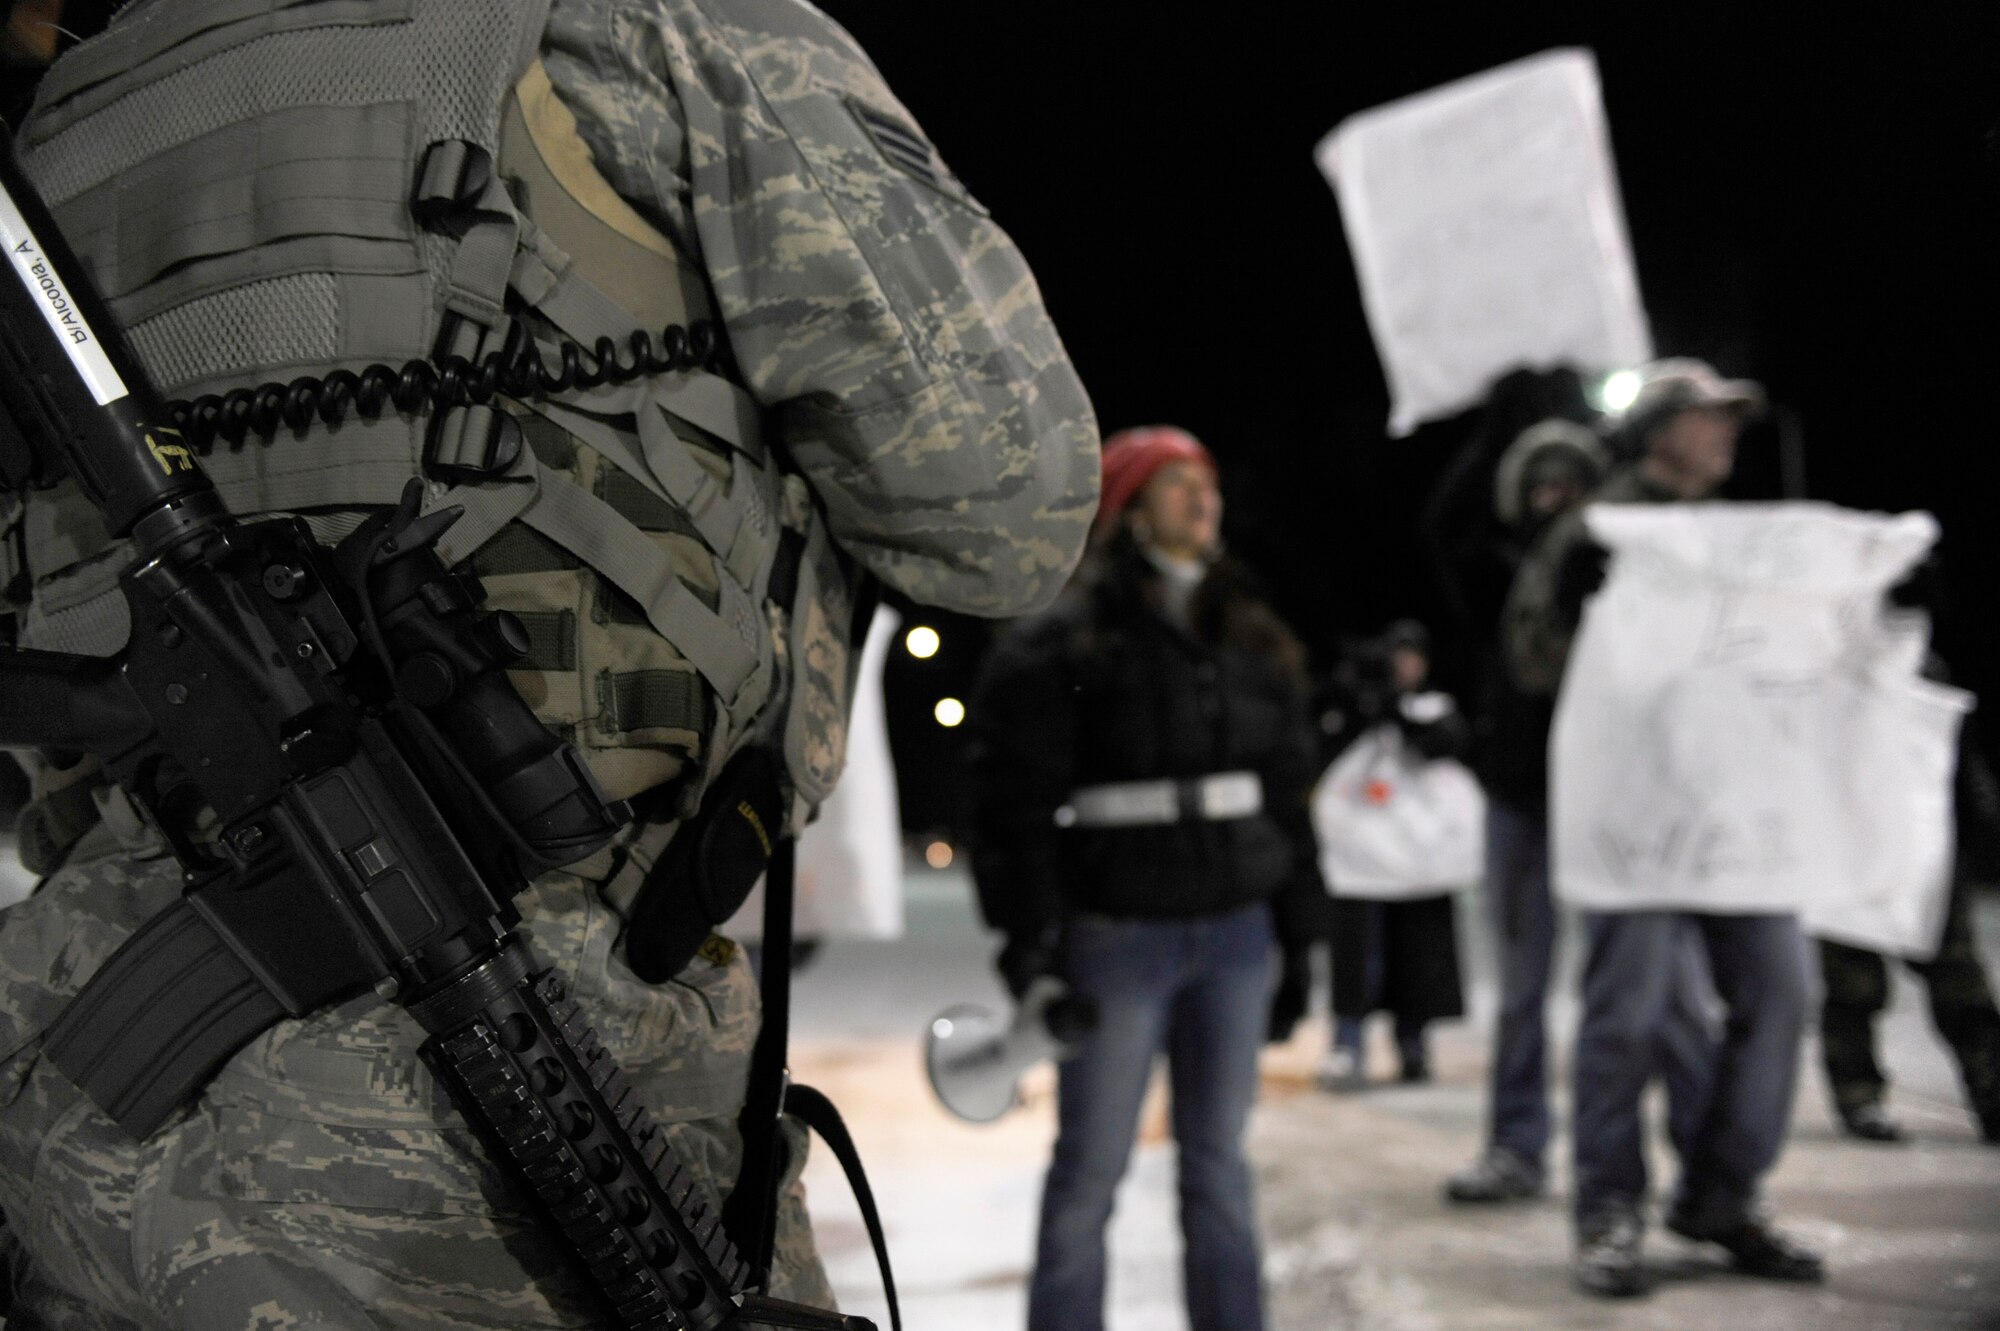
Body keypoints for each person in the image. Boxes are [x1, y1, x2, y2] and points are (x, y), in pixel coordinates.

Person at [0, 0, 1099, 1324]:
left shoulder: (58, 129)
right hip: (466, 1140)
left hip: (71, 1120)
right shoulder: (652, 29)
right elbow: (1004, 507)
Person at [966, 425, 1322, 1331]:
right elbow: (1012, 807)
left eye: (1208, 484)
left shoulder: (1251, 632)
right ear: (1127, 512)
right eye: (1175, 485)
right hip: (1118, 936)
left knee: (1218, 1163)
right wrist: (1030, 944)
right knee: (1091, 1169)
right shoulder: (1067, 642)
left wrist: (1303, 937)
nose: (1202, 501)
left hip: (1237, 935)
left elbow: (1288, 797)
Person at [1505, 359, 1824, 1298]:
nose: (1727, 432)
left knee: (1781, 992)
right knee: (1626, 1018)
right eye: (1706, 417)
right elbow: (1531, 661)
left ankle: (1722, 1195)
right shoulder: (1594, 530)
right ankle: (1607, 1209)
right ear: (1653, 434)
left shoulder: (1740, 537)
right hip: (1635, 819)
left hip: (1733, 815)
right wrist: (1580, 612)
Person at [1443, 416, 1719, 1207]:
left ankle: (1706, 1165)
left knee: (1660, 993)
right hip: (1523, 802)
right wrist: (1492, 415)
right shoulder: (1488, 572)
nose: (1556, 495)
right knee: (1522, 988)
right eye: (1540, 484)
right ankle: (1516, 1144)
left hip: (1614, 803)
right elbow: (1444, 522)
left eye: (1573, 481)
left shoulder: (1622, 558)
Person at [1273, 620, 1470, 1091]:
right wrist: (1356, 704)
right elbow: (1313, 753)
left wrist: (1397, 713)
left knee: (1417, 959)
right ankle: (1348, 1044)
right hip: (1359, 862)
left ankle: (1413, 1045)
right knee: (1357, 959)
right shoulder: (1350, 709)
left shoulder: (1434, 709)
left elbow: (1443, 746)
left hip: (1418, 863)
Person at [1817, 694, 2000, 1145]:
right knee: (1850, 984)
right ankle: (1859, 1097)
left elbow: (1954, 753)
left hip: (1924, 843)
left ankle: (1992, 1094)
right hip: (1846, 843)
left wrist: (1977, 830)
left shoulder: (1921, 666)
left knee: (1958, 979)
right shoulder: (1818, 665)